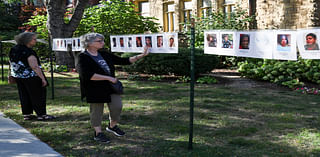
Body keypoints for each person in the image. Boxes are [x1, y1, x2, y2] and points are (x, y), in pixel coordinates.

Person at [78, 33, 149, 143]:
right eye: (99, 41)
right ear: (90, 43)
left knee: (117, 106)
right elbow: (87, 75)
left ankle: (112, 126)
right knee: (96, 111)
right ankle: (98, 133)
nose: (102, 42)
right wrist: (108, 78)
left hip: (110, 87)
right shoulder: (82, 57)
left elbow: (124, 61)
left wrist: (142, 55)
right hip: (94, 89)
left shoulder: (104, 53)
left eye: (102, 40)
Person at [9, 32, 55, 121]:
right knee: (38, 95)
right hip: (31, 76)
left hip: (19, 76)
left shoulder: (14, 49)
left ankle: (27, 114)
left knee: (24, 95)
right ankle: (41, 114)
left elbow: (11, 62)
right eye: (34, 39)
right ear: (27, 40)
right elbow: (34, 66)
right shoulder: (29, 51)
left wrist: (10, 75)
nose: (35, 41)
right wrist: (42, 78)